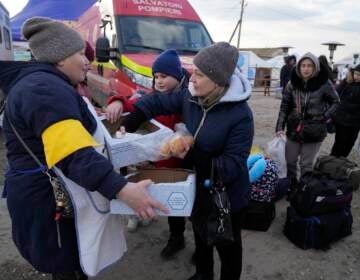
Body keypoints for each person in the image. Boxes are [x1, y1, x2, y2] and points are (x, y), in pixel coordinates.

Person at [0, 17, 166, 280]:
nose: (88, 60)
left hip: (50, 196)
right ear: (61, 58)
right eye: (80, 53)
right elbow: (73, 153)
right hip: (50, 202)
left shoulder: (45, 83)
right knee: (68, 268)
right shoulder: (44, 89)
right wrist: (122, 189)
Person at [122, 42, 254, 280]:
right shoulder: (191, 97)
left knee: (228, 246)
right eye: (193, 71)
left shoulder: (241, 116)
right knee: (202, 234)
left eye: (199, 74)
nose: (191, 78)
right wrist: (131, 118)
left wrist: (192, 155)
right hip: (199, 184)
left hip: (228, 195)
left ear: (218, 80)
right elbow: (158, 101)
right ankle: (203, 274)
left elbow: (232, 166)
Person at [108, 49, 190, 259]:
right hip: (156, 160)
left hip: (181, 160)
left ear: (178, 76)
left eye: (164, 76)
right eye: (156, 76)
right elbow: (134, 103)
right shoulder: (153, 96)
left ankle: (177, 238)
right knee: (151, 192)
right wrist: (117, 100)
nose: (159, 81)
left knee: (178, 202)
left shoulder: (189, 96)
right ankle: (145, 219)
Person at [275, 52, 339, 192]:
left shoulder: (324, 83)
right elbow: (284, 107)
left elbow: (336, 102)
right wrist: (279, 126)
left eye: (309, 65)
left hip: (314, 130)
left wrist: (324, 116)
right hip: (294, 129)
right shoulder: (292, 84)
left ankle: (304, 190)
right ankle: (291, 187)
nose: (306, 69)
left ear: (315, 67)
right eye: (303, 65)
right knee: (290, 161)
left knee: (306, 164)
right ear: (298, 67)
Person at [330, 64, 360, 157]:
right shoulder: (347, 82)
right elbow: (335, 94)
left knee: (349, 145)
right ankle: (331, 163)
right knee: (339, 144)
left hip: (355, 123)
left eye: (359, 75)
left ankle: (340, 165)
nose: (357, 77)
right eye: (356, 74)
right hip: (342, 121)